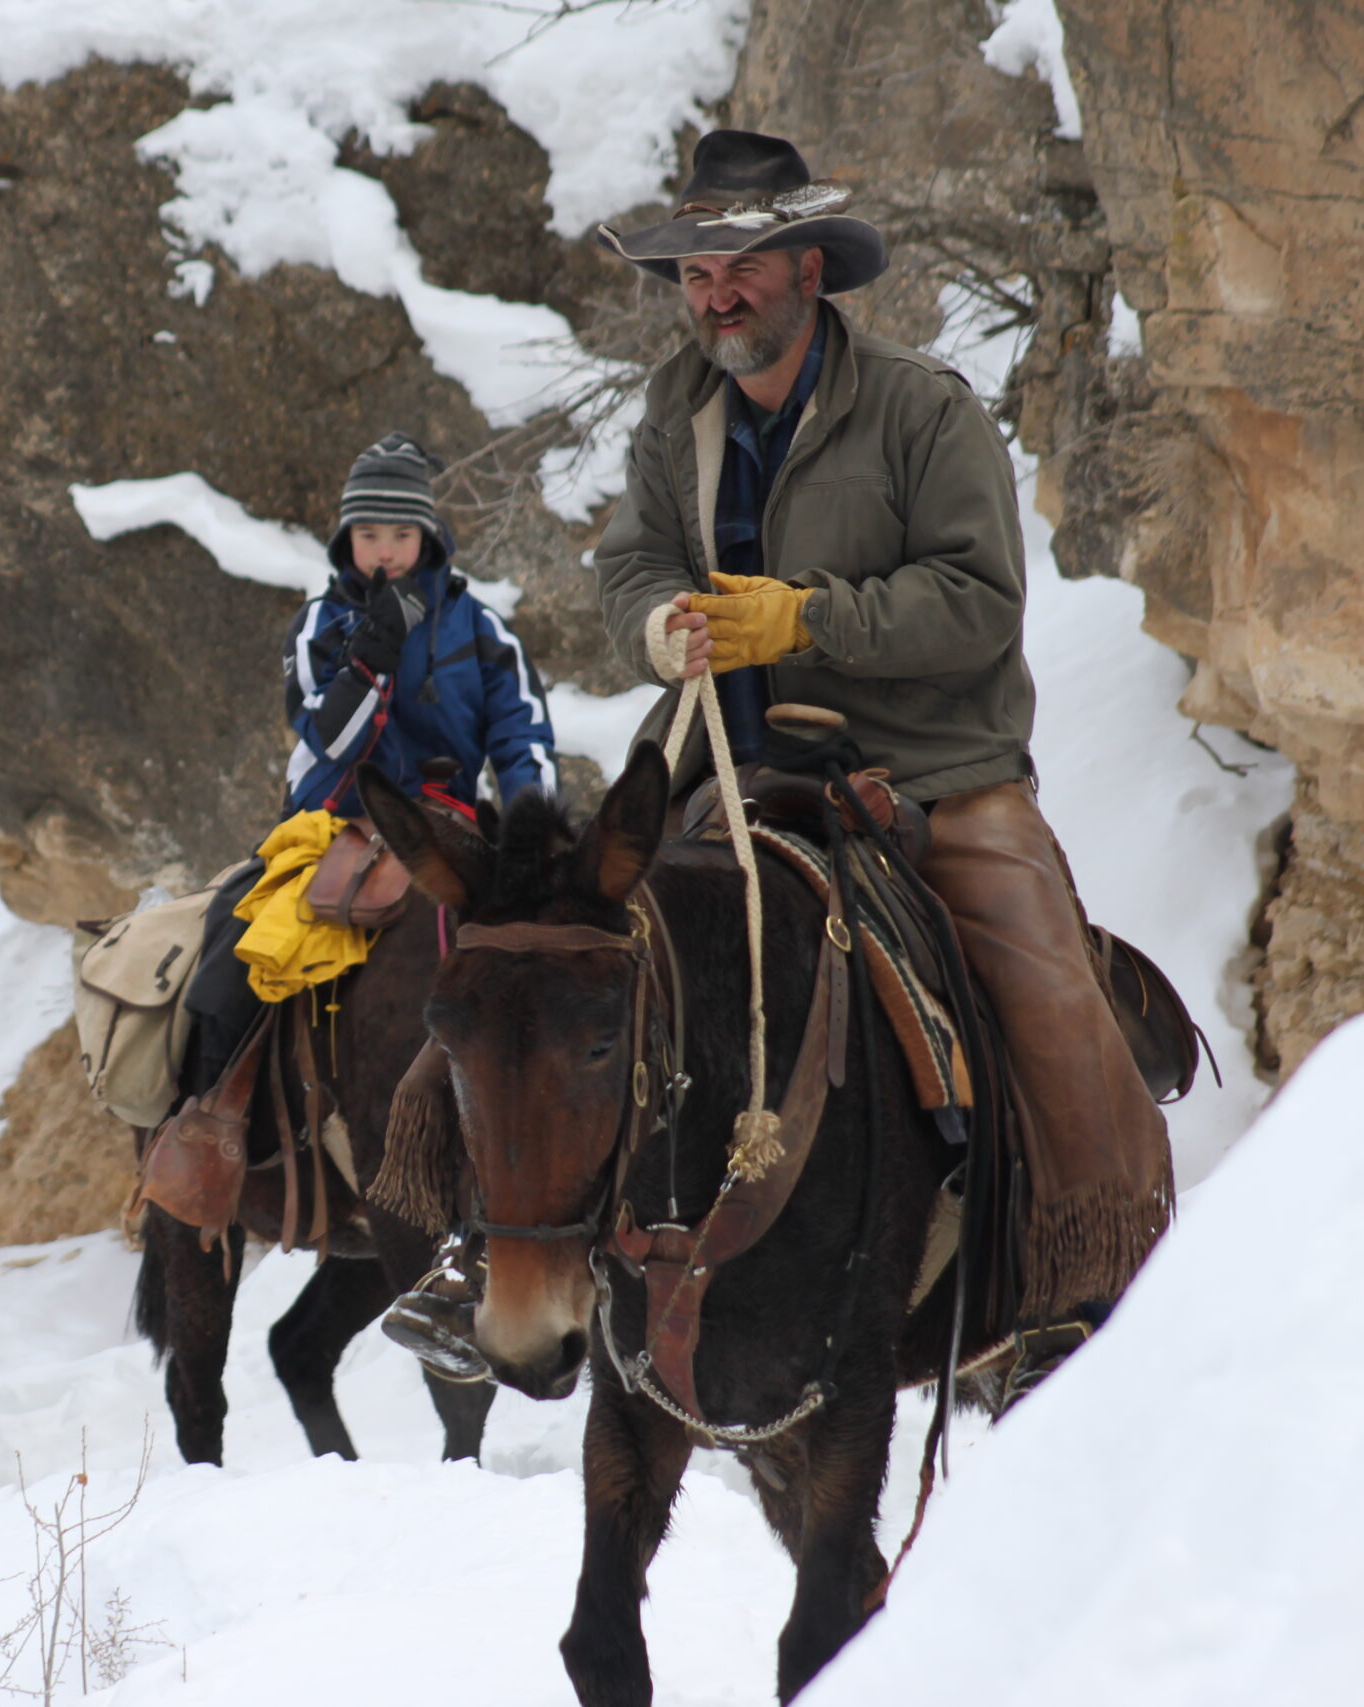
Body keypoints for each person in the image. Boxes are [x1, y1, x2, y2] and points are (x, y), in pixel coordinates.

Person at [588, 129, 1171, 1368]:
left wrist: (810, 618)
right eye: (694, 273)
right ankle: (496, 1252)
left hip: (924, 774)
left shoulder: (921, 409)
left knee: (1048, 999)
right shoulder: (671, 411)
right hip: (722, 773)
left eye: (739, 266)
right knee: (542, 946)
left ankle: (1091, 1284)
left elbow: (976, 601)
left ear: (809, 269)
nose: (715, 294)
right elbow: (631, 559)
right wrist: (657, 624)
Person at [179, 432, 558, 1094]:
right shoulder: (318, 625)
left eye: (402, 533)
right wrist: (373, 653)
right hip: (331, 822)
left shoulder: (480, 628)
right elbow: (333, 740)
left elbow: (523, 737)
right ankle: (204, 1117)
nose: (385, 549)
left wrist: (532, 837)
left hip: (449, 825)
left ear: (428, 535)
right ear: (346, 539)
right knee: (232, 929)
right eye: (369, 533)